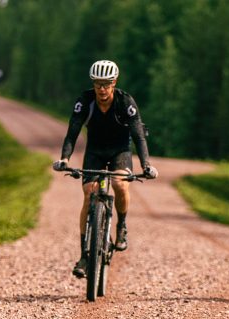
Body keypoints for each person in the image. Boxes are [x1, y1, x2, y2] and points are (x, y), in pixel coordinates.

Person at [52, 60, 158, 278]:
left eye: (107, 84)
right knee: (89, 192)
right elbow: (72, 131)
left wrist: (146, 165)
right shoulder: (85, 101)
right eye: (98, 84)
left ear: (114, 83)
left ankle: (122, 227)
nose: (102, 89)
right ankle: (84, 255)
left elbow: (138, 134)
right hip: (95, 151)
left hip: (120, 151)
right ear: (93, 84)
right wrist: (64, 158)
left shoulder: (125, 101)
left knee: (120, 184)